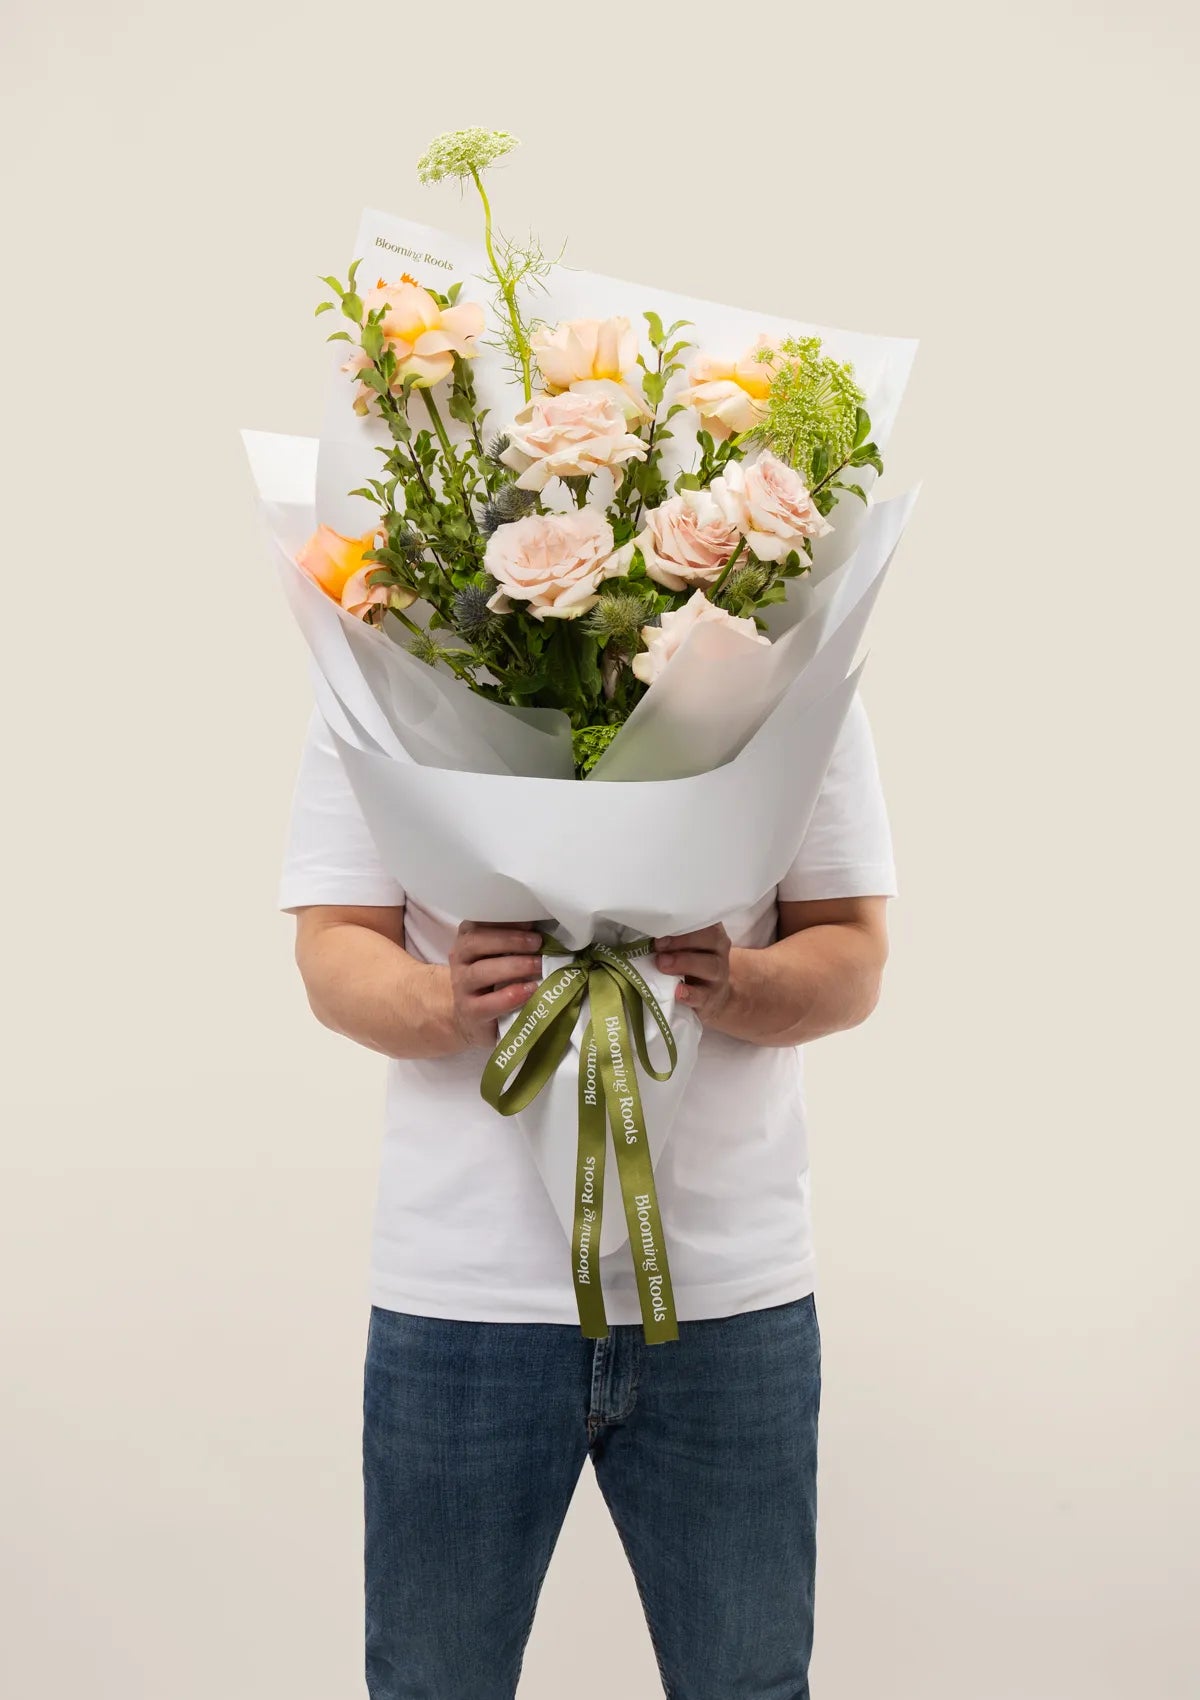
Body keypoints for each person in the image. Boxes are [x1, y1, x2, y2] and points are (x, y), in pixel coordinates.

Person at [280, 692, 895, 1700]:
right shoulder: (387, 676)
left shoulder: (790, 680)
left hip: (727, 1292)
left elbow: (852, 951)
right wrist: (445, 998)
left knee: (751, 1682)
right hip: (462, 1294)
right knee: (431, 1683)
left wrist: (734, 979)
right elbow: (333, 942)